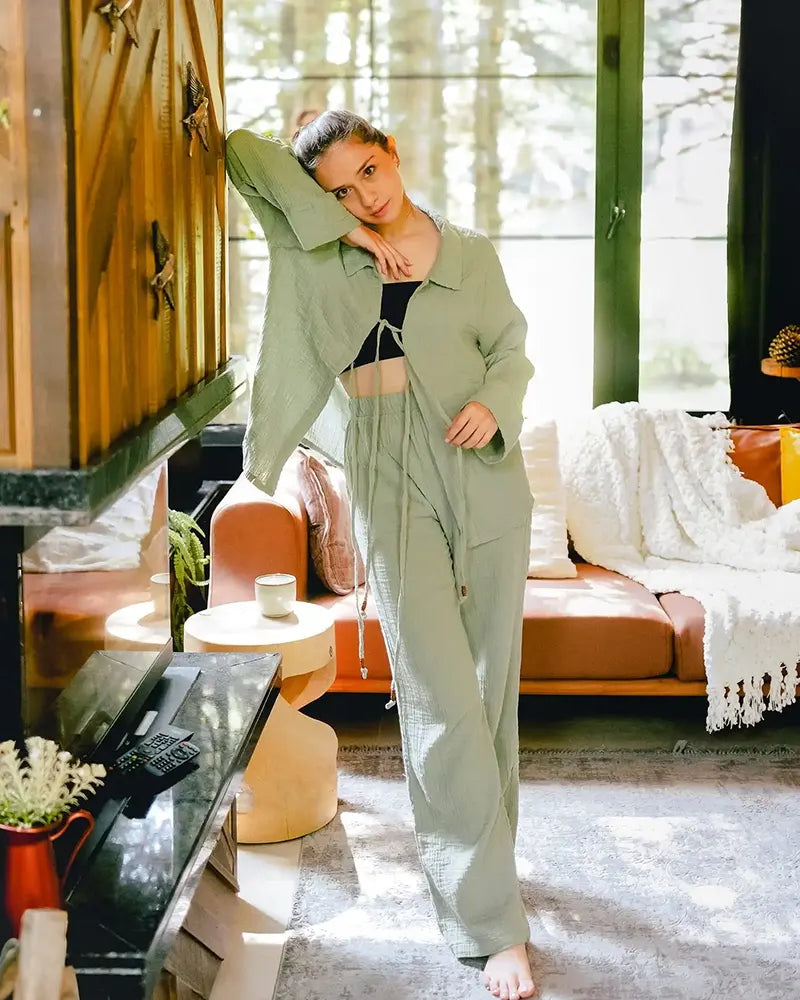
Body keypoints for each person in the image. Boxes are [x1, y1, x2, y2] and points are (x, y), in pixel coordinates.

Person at [225, 110, 536, 1000]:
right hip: (389, 476)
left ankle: (489, 870)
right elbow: (242, 154)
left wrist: (496, 404)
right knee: (440, 699)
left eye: (369, 170)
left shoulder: (469, 252)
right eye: (340, 189)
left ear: (391, 151)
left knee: (488, 694)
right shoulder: (319, 250)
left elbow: (511, 350)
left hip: (483, 475)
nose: (365, 194)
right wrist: (350, 229)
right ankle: (492, 925)